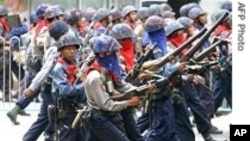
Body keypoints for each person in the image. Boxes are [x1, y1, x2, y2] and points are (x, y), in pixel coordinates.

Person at [51, 33, 87, 141]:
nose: (72, 51)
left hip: (77, 108)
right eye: (68, 49)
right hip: (66, 110)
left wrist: (82, 77)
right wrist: (84, 85)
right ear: (61, 50)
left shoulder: (74, 64)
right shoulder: (59, 68)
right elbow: (65, 90)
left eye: (74, 48)